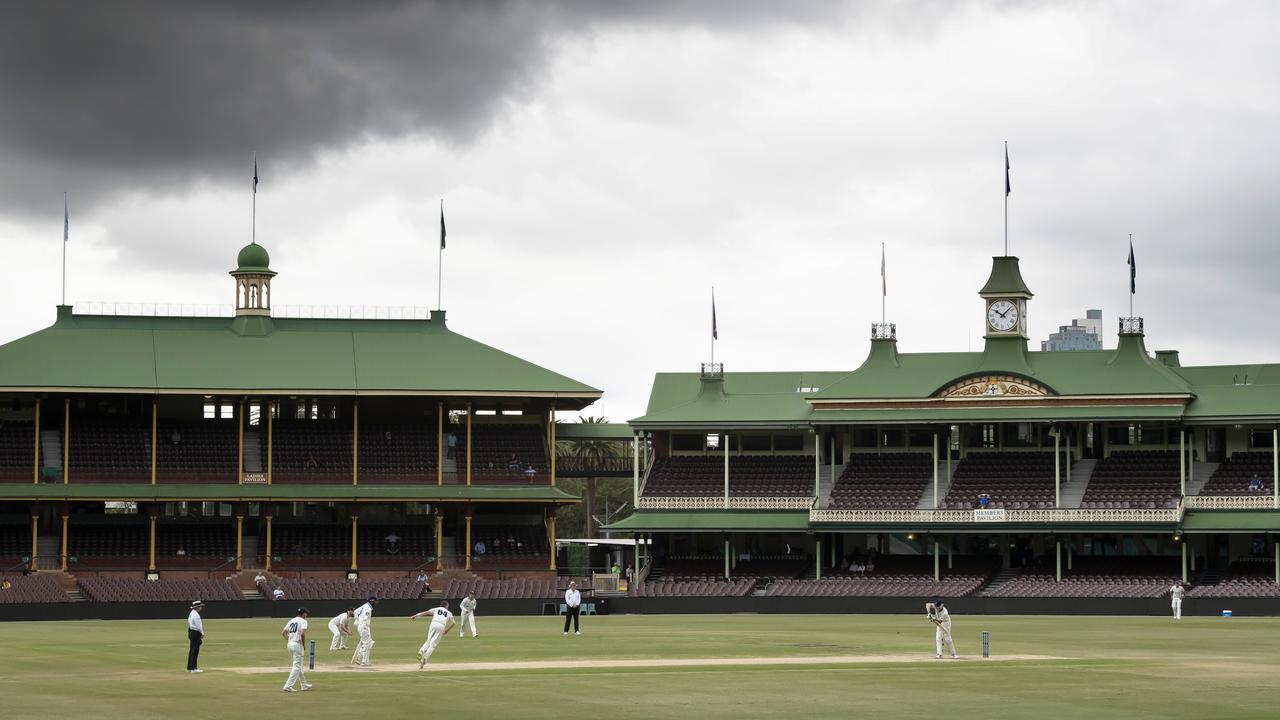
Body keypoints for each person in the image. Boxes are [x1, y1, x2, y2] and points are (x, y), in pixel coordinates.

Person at [411, 600, 455, 669]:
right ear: (446, 606)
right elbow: (453, 623)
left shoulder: (436, 609)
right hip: (441, 625)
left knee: (428, 640)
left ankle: (421, 652)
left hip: (433, 623)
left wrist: (415, 616)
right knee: (433, 644)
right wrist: (447, 630)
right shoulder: (449, 613)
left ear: (441, 605)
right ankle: (425, 659)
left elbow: (426, 613)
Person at [280, 607, 312, 693]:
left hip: (290, 644)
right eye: (306, 613)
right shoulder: (304, 621)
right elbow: (302, 634)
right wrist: (303, 644)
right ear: (303, 614)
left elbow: (283, 633)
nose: (307, 615)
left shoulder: (291, 620)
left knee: (299, 665)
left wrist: (290, 640)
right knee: (297, 667)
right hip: (297, 645)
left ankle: (304, 684)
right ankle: (287, 686)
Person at [351, 596, 377, 666]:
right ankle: (364, 661)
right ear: (372, 601)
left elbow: (355, 612)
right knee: (367, 643)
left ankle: (359, 658)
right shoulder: (368, 608)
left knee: (369, 643)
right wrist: (362, 625)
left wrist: (357, 620)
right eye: (375, 601)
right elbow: (364, 619)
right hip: (364, 627)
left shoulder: (364, 606)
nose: (376, 603)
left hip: (362, 626)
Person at [186, 600, 205, 673]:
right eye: (200, 606)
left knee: (192, 650)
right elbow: (198, 626)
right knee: (195, 650)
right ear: (197, 607)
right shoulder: (196, 615)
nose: (201, 608)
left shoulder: (191, 614)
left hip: (191, 632)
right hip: (195, 632)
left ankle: (190, 668)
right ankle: (193, 668)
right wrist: (202, 633)